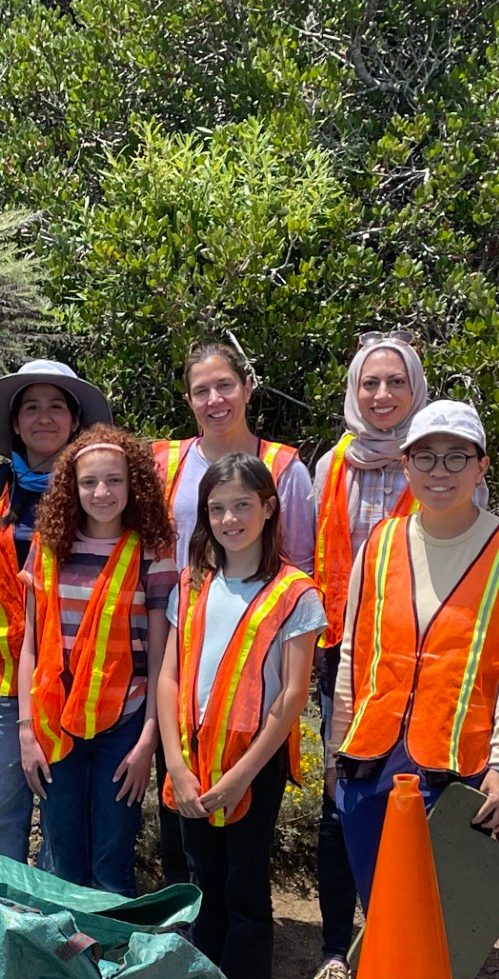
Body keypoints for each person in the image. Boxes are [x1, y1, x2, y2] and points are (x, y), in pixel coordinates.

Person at [328, 400, 499, 979]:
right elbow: (351, 652)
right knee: (388, 920)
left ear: (481, 466)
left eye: (457, 456)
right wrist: (337, 746)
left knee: (443, 929)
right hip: (371, 762)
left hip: (458, 767)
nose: (440, 470)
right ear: (405, 464)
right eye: (426, 455)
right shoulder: (381, 543)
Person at [157, 454, 323, 979]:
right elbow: (172, 674)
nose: (229, 519)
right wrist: (176, 764)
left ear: (269, 508)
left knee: (245, 889)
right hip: (191, 758)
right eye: (217, 507)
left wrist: (242, 774)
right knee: (200, 887)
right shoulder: (192, 583)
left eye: (242, 506)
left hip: (251, 762)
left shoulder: (296, 594)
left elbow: (290, 698)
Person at [153, 341, 317, 885]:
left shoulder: (285, 468)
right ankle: (186, 946)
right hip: (179, 649)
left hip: (256, 674)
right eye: (201, 390)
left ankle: (237, 960)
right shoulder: (167, 462)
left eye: (225, 385)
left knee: (242, 861)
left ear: (247, 386)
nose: (215, 399)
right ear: (189, 400)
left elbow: (299, 566)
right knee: (181, 832)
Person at [304, 329, 429, 979]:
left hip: (422, 658)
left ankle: (400, 949)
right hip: (342, 659)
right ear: (353, 392)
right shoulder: (331, 468)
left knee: (416, 799)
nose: (381, 395)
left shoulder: (436, 458)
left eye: (395, 382)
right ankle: (333, 953)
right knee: (340, 802)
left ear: (416, 389)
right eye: (369, 383)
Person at [0, 359, 111, 862]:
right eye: (31, 407)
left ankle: (51, 932)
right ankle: (0, 926)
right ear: (15, 422)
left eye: (55, 406)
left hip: (73, 686)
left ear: (74, 420)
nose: (43, 418)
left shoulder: (99, 494)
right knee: (0, 814)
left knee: (62, 819)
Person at [16, 423, 177, 896]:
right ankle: (66, 961)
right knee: (63, 857)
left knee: (112, 860)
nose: (102, 492)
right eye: (89, 482)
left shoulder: (154, 552)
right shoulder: (48, 548)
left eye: (114, 481)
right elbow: (30, 646)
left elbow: (160, 655)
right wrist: (26, 731)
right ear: (71, 486)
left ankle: (109, 962)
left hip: (124, 725)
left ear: (135, 485)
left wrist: (149, 737)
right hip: (53, 724)